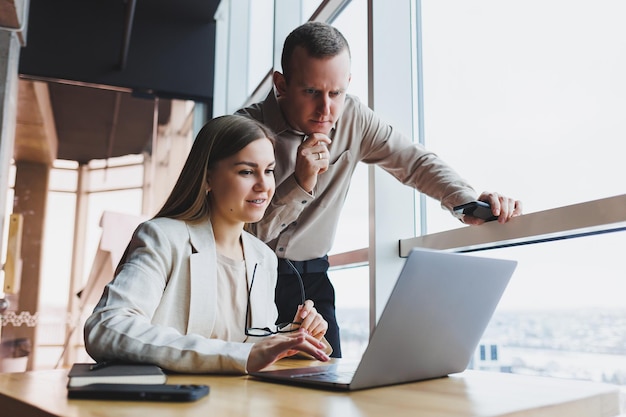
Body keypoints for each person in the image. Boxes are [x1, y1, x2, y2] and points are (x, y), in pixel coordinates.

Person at [236, 22, 523, 358]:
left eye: (336, 93)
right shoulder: (243, 131)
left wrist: (468, 201)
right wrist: (299, 183)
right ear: (281, 85)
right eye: (311, 91)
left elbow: (414, 161)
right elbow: (241, 232)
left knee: (324, 388)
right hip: (246, 276)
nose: (326, 110)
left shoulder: (354, 117)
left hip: (313, 283)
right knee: (247, 383)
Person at [84, 115, 331, 374]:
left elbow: (250, 347)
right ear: (208, 178)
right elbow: (106, 326)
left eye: (268, 170)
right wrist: (241, 355)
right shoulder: (163, 238)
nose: (263, 185)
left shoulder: (262, 257)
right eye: (247, 171)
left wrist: (294, 335)